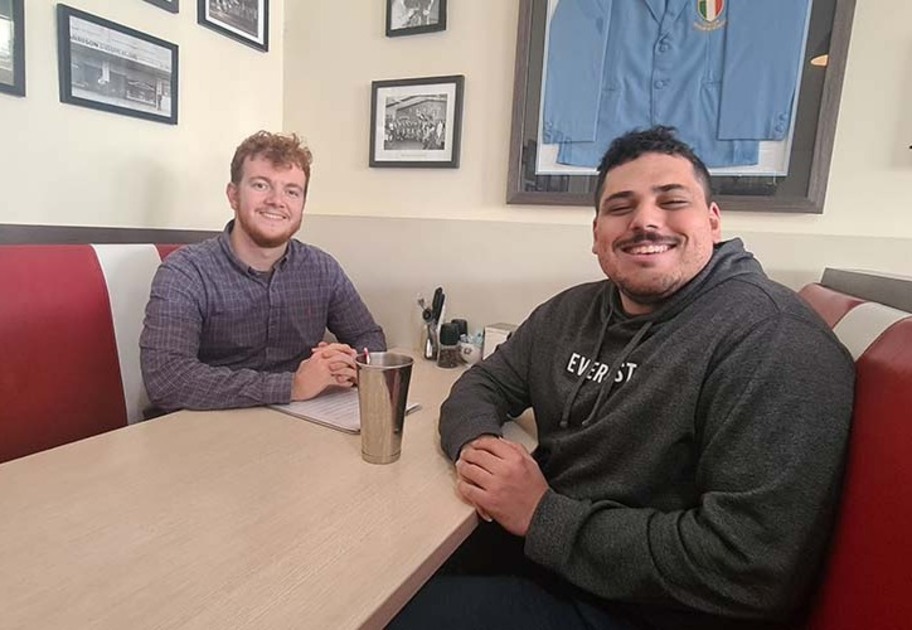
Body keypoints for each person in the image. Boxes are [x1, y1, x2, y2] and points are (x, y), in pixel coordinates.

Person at [390, 126, 854, 630]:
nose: (645, 221)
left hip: (646, 611)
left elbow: (748, 568)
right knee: (378, 564)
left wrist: (542, 513)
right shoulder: (571, 312)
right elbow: (484, 383)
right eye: (620, 207)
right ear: (596, 235)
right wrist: (478, 447)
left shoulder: (772, 338)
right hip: (550, 557)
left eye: (672, 201)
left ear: (714, 221)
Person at [140, 130, 386, 413]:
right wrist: (292, 386)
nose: (276, 201)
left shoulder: (322, 268)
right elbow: (167, 379)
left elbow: (369, 335)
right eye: (261, 185)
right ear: (233, 195)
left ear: (302, 204)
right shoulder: (185, 273)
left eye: (291, 192)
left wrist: (353, 364)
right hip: (202, 431)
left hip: (299, 424)